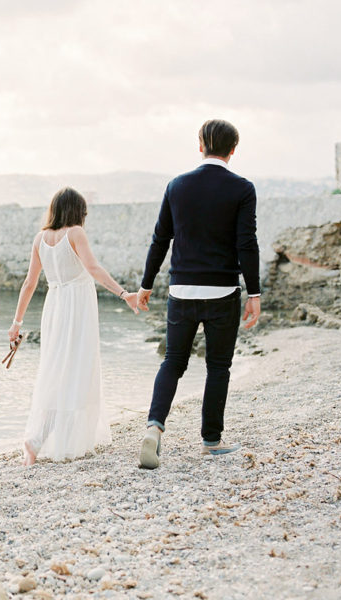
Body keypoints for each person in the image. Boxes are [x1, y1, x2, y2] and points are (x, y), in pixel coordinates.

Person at [136, 119, 261, 469]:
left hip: (182, 290)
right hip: (223, 291)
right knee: (218, 366)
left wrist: (146, 285)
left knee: (173, 362)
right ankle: (211, 440)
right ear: (233, 150)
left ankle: (154, 428)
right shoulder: (242, 189)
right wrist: (255, 292)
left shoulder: (177, 186)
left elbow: (160, 239)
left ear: (200, 144)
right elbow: (246, 243)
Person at [8, 187, 139, 466]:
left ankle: (37, 439)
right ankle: (49, 440)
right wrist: (124, 294)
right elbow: (93, 268)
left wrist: (16, 322)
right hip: (77, 308)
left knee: (56, 371)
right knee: (76, 372)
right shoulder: (76, 233)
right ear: (77, 211)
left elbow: (29, 283)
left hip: (54, 308)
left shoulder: (40, 238)